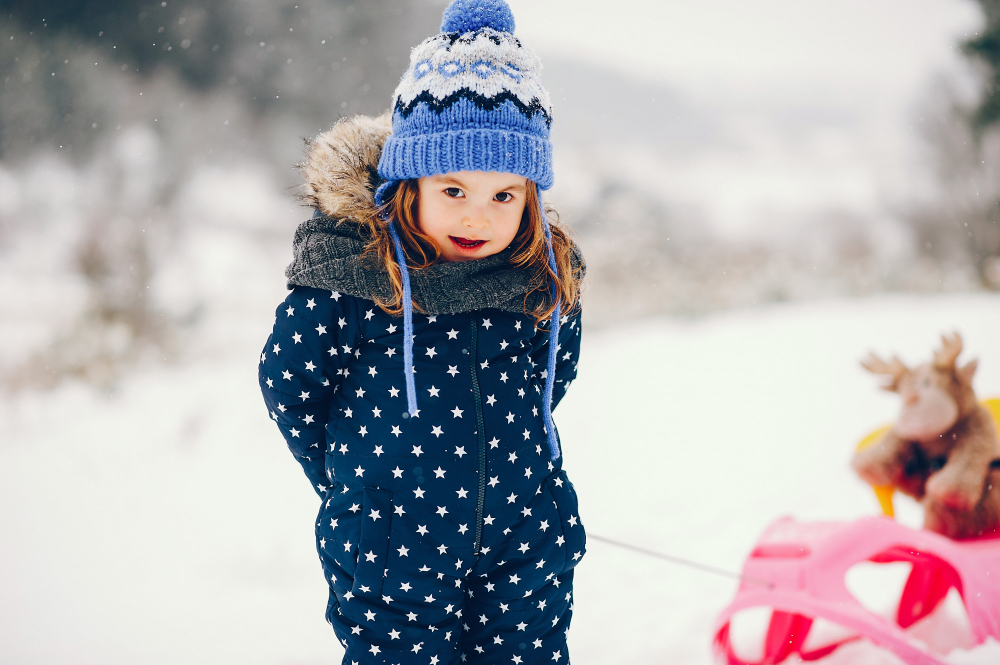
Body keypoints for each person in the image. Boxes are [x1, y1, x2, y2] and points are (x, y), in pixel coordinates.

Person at [259, 1, 586, 662]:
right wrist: (352, 479)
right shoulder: (353, 276)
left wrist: (512, 465)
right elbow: (290, 382)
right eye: (453, 189)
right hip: (393, 549)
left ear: (530, 197)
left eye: (504, 195)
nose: (478, 215)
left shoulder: (537, 278)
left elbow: (551, 376)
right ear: (411, 183)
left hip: (523, 541)